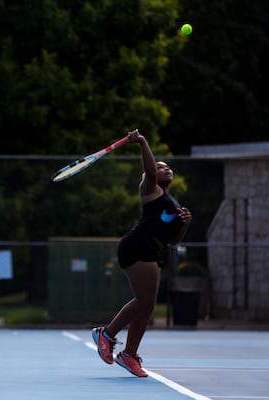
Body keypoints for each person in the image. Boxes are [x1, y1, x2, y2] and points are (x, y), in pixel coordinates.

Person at [92, 129, 192, 377]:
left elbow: (173, 241)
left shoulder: (173, 202)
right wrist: (143, 142)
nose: (165, 169)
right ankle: (107, 334)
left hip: (152, 250)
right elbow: (148, 171)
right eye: (160, 167)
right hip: (136, 245)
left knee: (146, 306)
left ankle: (128, 355)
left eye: (168, 167)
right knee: (145, 302)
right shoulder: (150, 189)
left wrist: (186, 223)